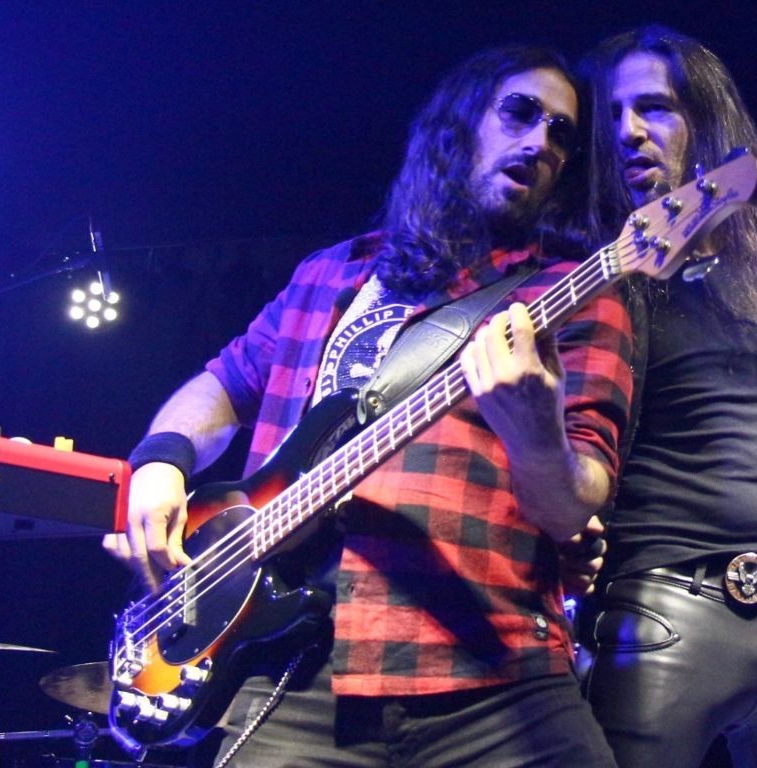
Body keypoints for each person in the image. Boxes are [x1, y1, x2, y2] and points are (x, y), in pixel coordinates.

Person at [104, 45, 632, 767]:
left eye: (561, 133)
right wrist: (161, 461)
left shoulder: (570, 296)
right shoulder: (329, 273)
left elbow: (574, 504)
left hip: (492, 671)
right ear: (458, 123)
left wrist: (537, 429)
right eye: (520, 112)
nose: (541, 141)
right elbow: (222, 385)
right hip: (292, 670)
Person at [575, 26, 757, 767]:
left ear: (706, 119)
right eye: (611, 115)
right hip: (661, 598)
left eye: (654, 107)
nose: (628, 131)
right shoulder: (595, 267)